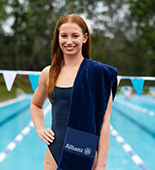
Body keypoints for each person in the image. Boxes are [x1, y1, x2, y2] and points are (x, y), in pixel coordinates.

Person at [30, 14, 117, 170]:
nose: (69, 41)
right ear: (57, 38)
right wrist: (40, 129)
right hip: (53, 153)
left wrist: (101, 165)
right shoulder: (48, 73)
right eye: (64, 36)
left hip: (84, 152)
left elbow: (105, 123)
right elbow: (36, 105)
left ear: (85, 38)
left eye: (75, 36)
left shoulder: (98, 74)